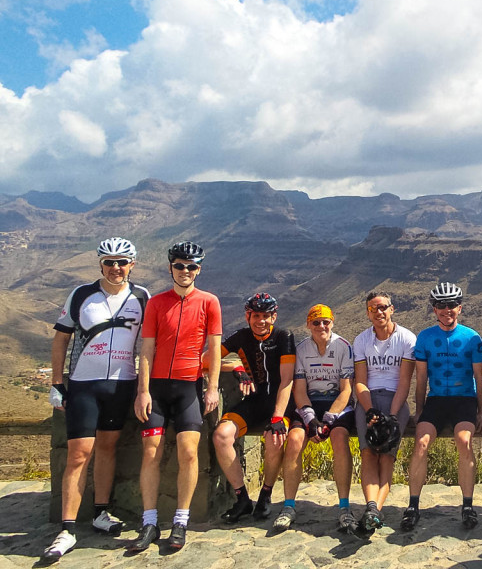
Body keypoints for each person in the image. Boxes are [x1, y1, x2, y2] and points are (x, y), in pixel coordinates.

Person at [41, 238, 150, 561]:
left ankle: (101, 512)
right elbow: (61, 339)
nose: (116, 268)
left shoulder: (142, 297)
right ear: (100, 264)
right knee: (78, 454)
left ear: (133, 264)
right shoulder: (81, 295)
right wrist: (57, 383)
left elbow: (148, 345)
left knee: (107, 447)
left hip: (122, 384)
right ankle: (67, 528)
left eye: (122, 262)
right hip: (84, 384)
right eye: (110, 262)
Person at [128, 241, 222, 552]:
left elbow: (215, 349)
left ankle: (180, 521)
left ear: (199, 269)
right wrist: (142, 391)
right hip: (156, 387)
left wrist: (212, 388)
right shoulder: (156, 303)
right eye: (180, 265)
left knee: (189, 452)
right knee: (151, 451)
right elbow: (147, 350)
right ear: (171, 267)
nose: (185, 271)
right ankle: (150, 521)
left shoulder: (210, 302)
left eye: (192, 266)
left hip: (188, 387)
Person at [401, 283, 482, 531]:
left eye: (451, 305)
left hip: (464, 400)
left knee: (464, 441)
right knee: (420, 443)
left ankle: (468, 505)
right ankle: (413, 505)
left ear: (459, 308)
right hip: (437, 400)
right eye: (441, 305)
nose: (446, 310)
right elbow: (421, 380)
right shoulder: (426, 338)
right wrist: (419, 411)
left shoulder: (472, 338)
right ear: (434, 309)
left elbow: (480, 379)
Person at [213, 293, 295, 526]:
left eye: (266, 316)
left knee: (274, 439)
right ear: (248, 316)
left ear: (274, 316)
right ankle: (242, 498)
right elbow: (208, 360)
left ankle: (266, 494)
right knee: (221, 436)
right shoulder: (241, 336)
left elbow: (287, 380)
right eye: (256, 315)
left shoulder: (284, 336)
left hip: (280, 402)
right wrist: (236, 367)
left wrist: (278, 416)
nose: (261, 320)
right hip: (254, 401)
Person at [281, 304, 358, 534]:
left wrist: (329, 419)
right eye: (316, 322)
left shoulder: (344, 347)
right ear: (308, 325)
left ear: (332, 322)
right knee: (295, 439)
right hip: (310, 404)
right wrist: (311, 420)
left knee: (339, 438)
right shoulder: (301, 349)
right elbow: (299, 388)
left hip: (337, 404)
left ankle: (344, 506)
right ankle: (288, 506)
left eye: (326, 321)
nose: (321, 326)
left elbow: (346, 390)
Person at [352, 292, 416, 531]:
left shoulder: (407, 339)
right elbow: (360, 381)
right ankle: (371, 506)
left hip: (394, 401)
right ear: (368, 313)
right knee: (368, 453)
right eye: (372, 309)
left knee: (387, 455)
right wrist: (370, 411)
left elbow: (404, 382)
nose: (378, 312)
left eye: (382, 307)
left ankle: (374, 509)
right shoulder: (361, 341)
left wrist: (391, 414)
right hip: (367, 400)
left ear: (392, 309)